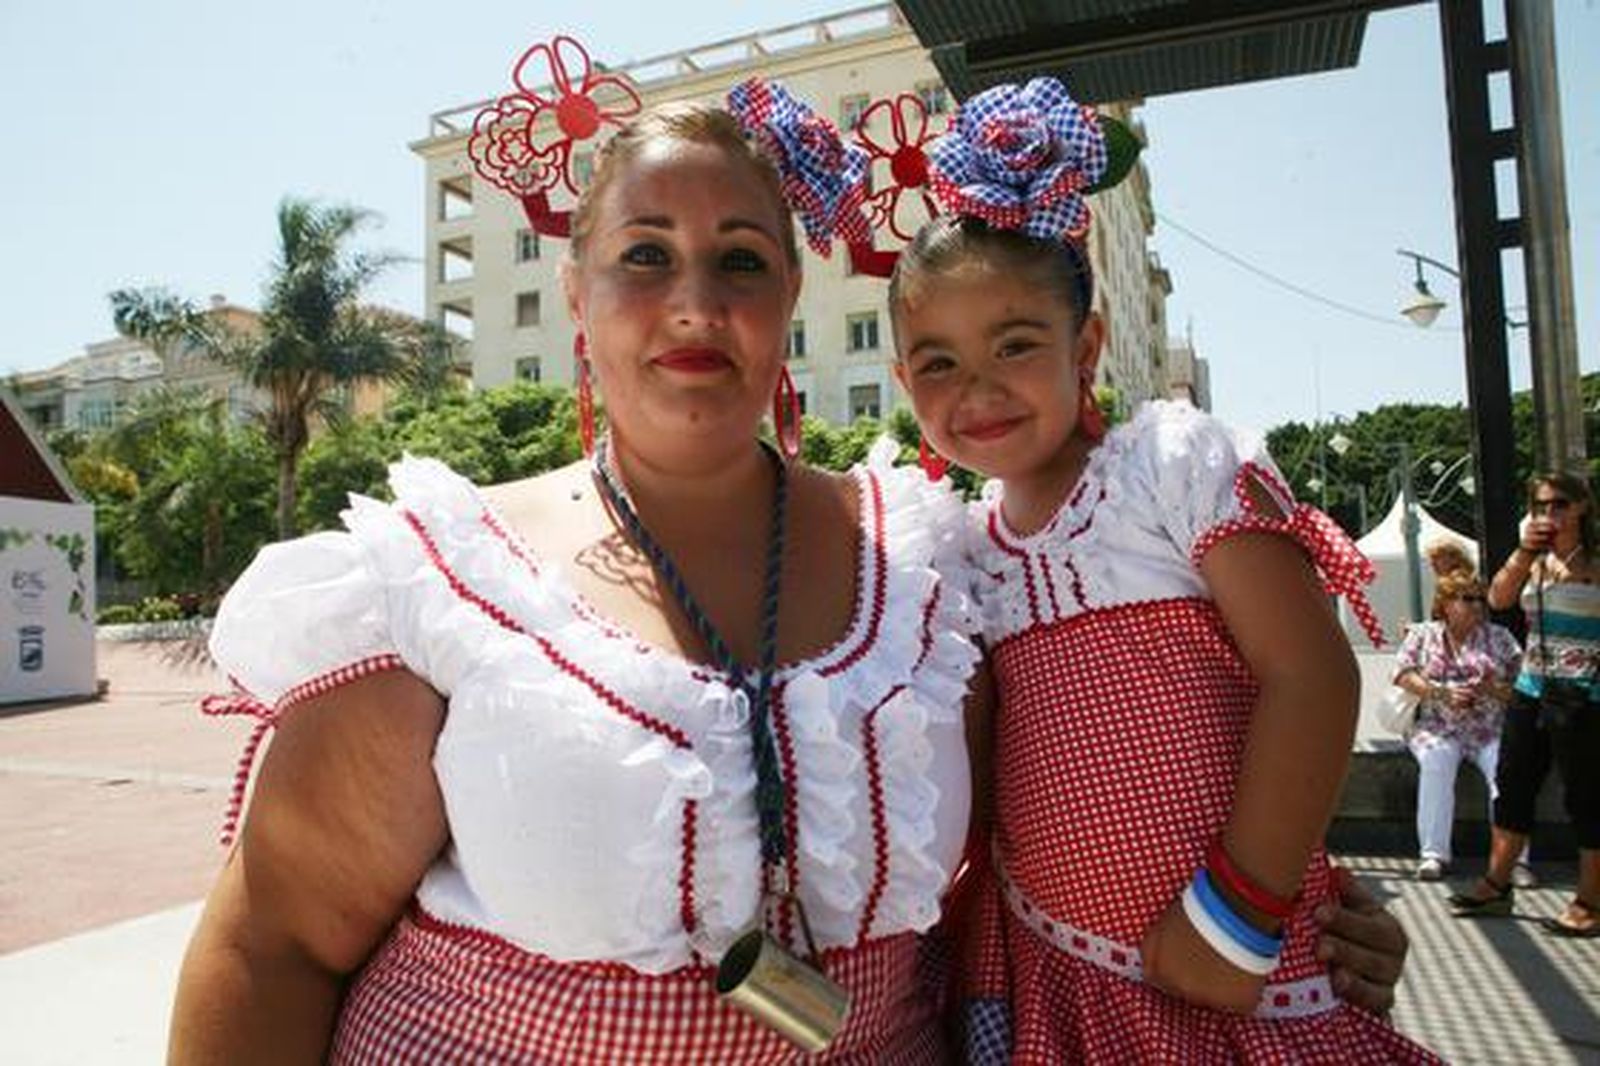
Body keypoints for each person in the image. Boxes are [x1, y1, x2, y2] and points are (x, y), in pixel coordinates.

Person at [169, 67, 1414, 1063]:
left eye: (742, 260)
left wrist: (1284, 908)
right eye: (645, 253)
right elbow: (269, 943)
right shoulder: (450, 576)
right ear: (576, 291)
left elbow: (1098, 767)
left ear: (793, 293)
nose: (695, 301)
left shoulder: (930, 567)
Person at [886, 78, 1439, 1061]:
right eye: (937, 362)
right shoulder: (956, 551)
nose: (975, 388)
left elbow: (1309, 674)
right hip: (1054, 979)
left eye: (1015, 344)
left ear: (1086, 344)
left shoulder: (1171, 464)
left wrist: (1236, 917)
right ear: (901, 381)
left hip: (1237, 967)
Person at [1451, 472, 1600, 937]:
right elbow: (1498, 598)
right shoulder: (1534, 560)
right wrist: (1525, 551)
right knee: (1512, 785)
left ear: (1580, 507)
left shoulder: (1594, 560)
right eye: (1540, 506)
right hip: (1533, 688)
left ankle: (1590, 900)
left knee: (1588, 797)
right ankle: (1497, 883)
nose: (1548, 515)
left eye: (1557, 505)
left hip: (1586, 693)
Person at [1391, 570, 1522, 880]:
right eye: (1468, 598)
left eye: (1480, 599)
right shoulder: (1422, 634)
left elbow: (1524, 688)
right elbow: (1402, 674)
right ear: (1446, 604)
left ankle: (1512, 861)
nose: (1477, 605)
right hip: (1435, 726)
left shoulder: (1500, 638)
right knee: (1437, 760)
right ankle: (1434, 855)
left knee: (1504, 771)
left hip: (1489, 727)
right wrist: (1441, 692)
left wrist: (1493, 689)